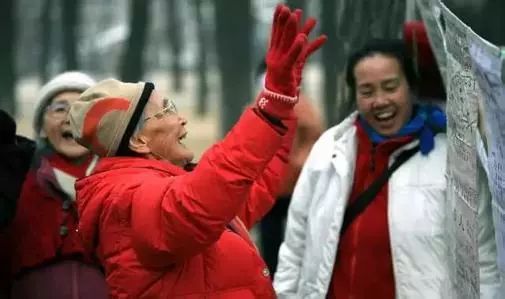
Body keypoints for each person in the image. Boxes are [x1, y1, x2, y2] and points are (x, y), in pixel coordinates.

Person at [68, 5, 326, 298]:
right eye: (166, 110)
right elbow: (199, 203)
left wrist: (283, 104)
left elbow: (249, 186)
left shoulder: (162, 188)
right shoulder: (125, 198)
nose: (181, 119)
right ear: (138, 141)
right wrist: (269, 108)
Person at [273, 39, 500, 298]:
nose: (379, 101)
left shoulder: (452, 157)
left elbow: (482, 259)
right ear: (355, 95)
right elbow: (295, 247)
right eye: (367, 91)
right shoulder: (329, 150)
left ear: (411, 88)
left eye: (390, 87)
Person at [1, 72, 108, 298]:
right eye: (60, 109)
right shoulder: (15, 179)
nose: (71, 117)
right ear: (40, 126)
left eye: (84, 108)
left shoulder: (124, 181)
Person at [255, 59, 323, 276]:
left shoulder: (301, 106)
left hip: (294, 185)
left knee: (298, 236)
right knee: (270, 239)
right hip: (268, 188)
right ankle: (272, 279)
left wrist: (296, 164)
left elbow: (313, 138)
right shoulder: (258, 105)